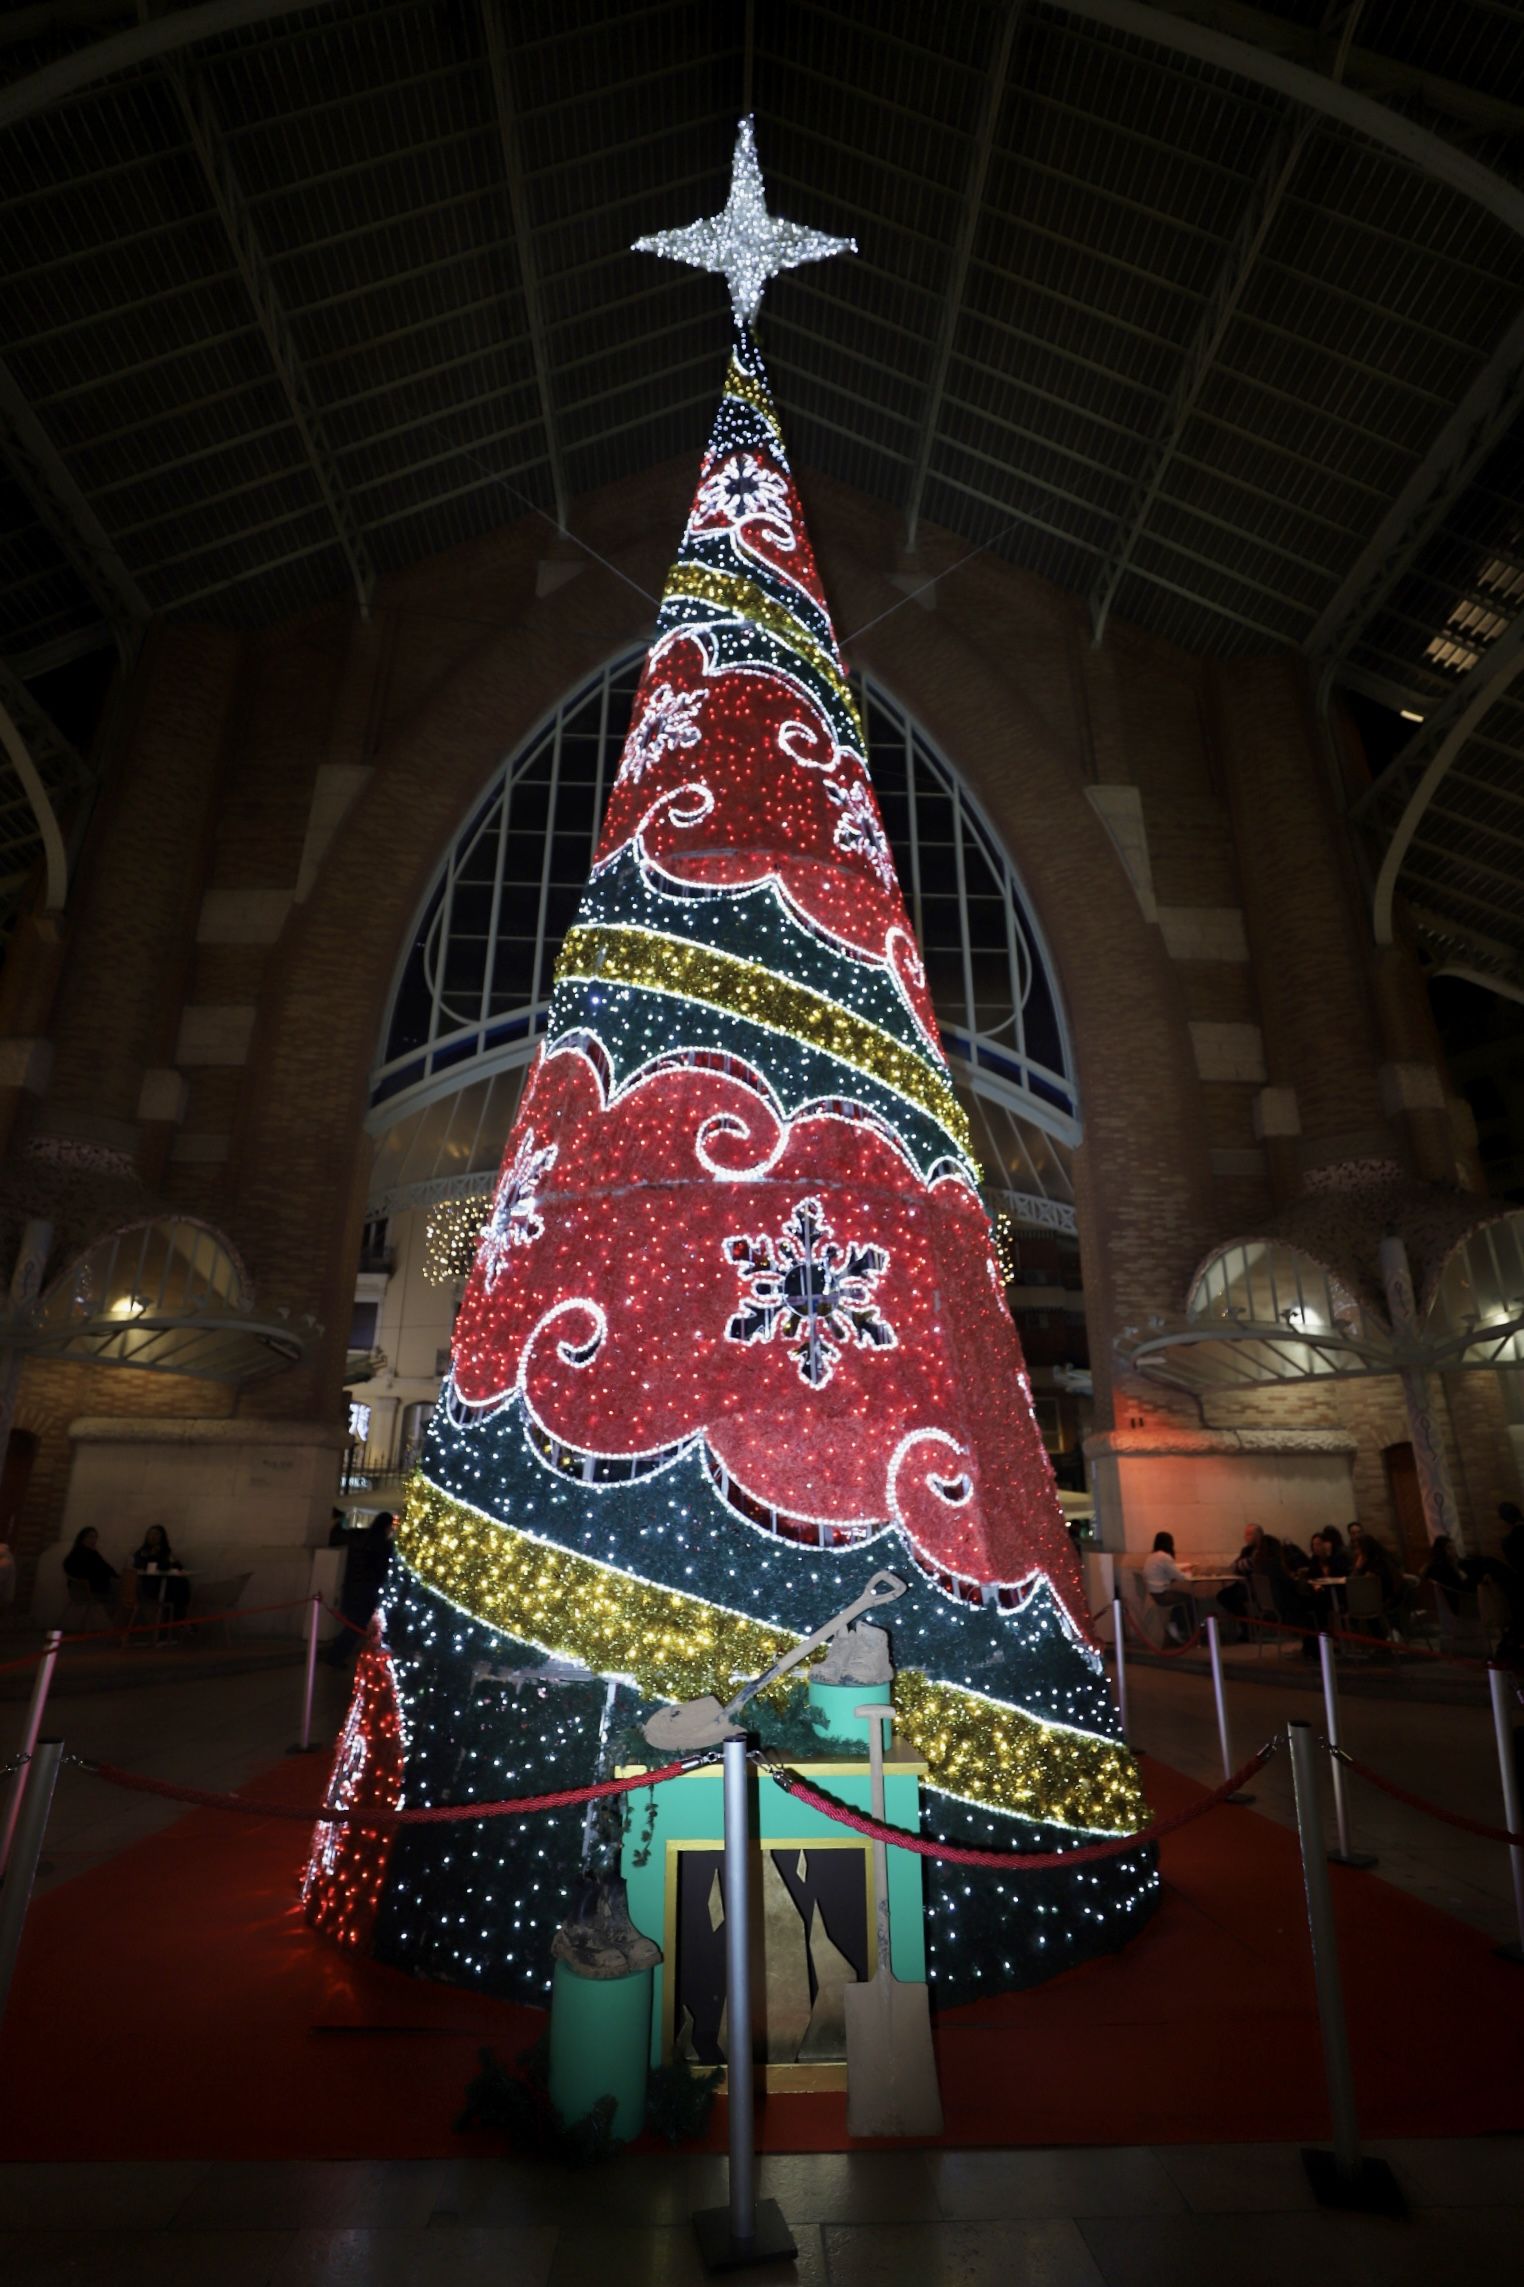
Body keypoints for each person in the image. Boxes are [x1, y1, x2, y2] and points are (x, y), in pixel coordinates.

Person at [324, 1510, 395, 1664]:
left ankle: (337, 1655)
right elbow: (380, 1568)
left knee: (354, 1624)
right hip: (367, 1589)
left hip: (355, 1587)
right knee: (356, 1625)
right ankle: (336, 1657)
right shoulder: (382, 1544)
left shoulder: (364, 1538)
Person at [131, 1524, 190, 1630]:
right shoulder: (142, 1552)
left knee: (182, 1583)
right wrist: (153, 1555)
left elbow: (177, 1566)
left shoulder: (165, 1552)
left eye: (156, 1534)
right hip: (150, 1586)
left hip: (167, 1585)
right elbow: (143, 1566)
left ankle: (176, 1621)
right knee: (177, 1588)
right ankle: (177, 1622)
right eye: (150, 1533)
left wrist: (171, 1560)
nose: (153, 1536)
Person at [1141, 1530, 1196, 1644]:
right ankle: (1182, 1630)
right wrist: (1189, 1572)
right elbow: (1180, 1577)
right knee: (1190, 1600)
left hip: (1153, 1594)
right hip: (1162, 1595)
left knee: (1181, 1600)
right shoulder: (1165, 1557)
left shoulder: (1151, 1557)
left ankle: (1174, 1624)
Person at [63, 1526, 118, 1619]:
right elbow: (76, 1571)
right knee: (121, 1594)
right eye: (90, 1537)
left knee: (121, 1587)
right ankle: (117, 1626)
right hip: (85, 1591)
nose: (93, 1540)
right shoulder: (78, 1553)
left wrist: (116, 1577)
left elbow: (107, 1567)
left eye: (95, 1537)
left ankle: (116, 1625)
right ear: (82, 1538)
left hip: (95, 1588)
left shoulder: (93, 1553)